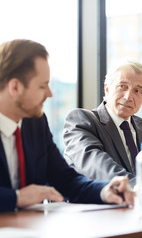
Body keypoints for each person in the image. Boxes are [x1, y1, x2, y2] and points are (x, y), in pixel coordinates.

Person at [0, 39, 134, 212]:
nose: (49, 94)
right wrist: (17, 197)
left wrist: (104, 190)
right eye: (43, 86)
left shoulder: (36, 123)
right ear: (15, 87)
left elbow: (66, 179)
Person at [63, 60, 142, 187]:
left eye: (137, 91)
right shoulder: (81, 120)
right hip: (97, 204)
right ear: (107, 88)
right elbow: (97, 166)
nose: (128, 97)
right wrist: (139, 186)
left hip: (141, 204)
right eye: (122, 86)